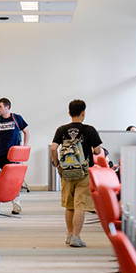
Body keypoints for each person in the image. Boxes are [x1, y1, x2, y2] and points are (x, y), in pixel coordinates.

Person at [50, 99, 103, 248]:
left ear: (69, 113)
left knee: (69, 205)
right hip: (83, 173)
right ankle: (76, 237)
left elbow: (53, 148)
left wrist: (57, 165)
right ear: (83, 113)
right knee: (79, 204)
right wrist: (91, 150)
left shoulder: (61, 129)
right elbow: (98, 151)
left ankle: (69, 234)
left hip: (66, 172)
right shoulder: (89, 130)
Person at [0, 97, 29, 214]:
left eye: (0, 106)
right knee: (6, 179)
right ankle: (11, 200)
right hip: (2, 153)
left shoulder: (16, 118)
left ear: (7, 107)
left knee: (14, 179)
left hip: (14, 153)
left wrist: (24, 146)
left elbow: (26, 132)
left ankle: (16, 203)